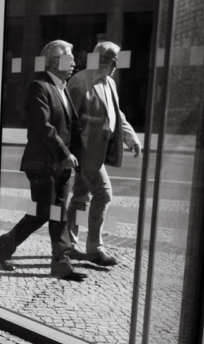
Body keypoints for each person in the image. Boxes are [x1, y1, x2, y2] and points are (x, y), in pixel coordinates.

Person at [0, 40, 86, 281]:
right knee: (42, 212)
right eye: (69, 58)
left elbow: (71, 127)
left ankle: (61, 263)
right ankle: (2, 247)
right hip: (42, 164)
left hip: (61, 165)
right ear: (54, 61)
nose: (74, 63)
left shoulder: (63, 88)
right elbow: (44, 127)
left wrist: (77, 155)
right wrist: (64, 154)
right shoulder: (39, 87)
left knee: (59, 213)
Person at [65, 41, 142, 266]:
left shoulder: (109, 82)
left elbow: (117, 114)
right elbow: (68, 119)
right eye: (111, 59)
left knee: (80, 197)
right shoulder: (80, 81)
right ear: (98, 58)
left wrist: (131, 138)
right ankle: (95, 249)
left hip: (98, 151)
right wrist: (69, 153)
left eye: (117, 59)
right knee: (104, 194)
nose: (116, 64)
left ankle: (69, 244)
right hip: (86, 153)